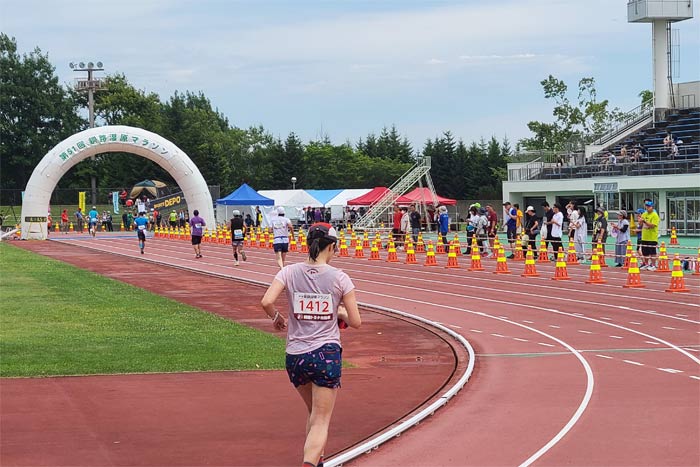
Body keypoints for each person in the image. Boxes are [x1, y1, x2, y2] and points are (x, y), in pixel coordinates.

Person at [260, 222, 361, 467]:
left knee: (314, 414)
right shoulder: (340, 278)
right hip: (325, 354)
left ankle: (318, 461)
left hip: (295, 355)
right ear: (333, 246)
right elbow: (356, 321)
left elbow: (266, 301)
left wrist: (277, 318)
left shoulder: (288, 272)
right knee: (321, 420)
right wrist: (339, 314)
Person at [639, 200, 659, 271]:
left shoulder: (655, 215)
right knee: (645, 251)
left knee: (652, 251)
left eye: (649, 207)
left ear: (652, 207)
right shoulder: (644, 214)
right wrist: (640, 221)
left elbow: (653, 225)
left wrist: (644, 221)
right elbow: (641, 224)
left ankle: (654, 265)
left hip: (652, 237)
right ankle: (646, 264)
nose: (647, 208)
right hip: (644, 236)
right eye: (646, 206)